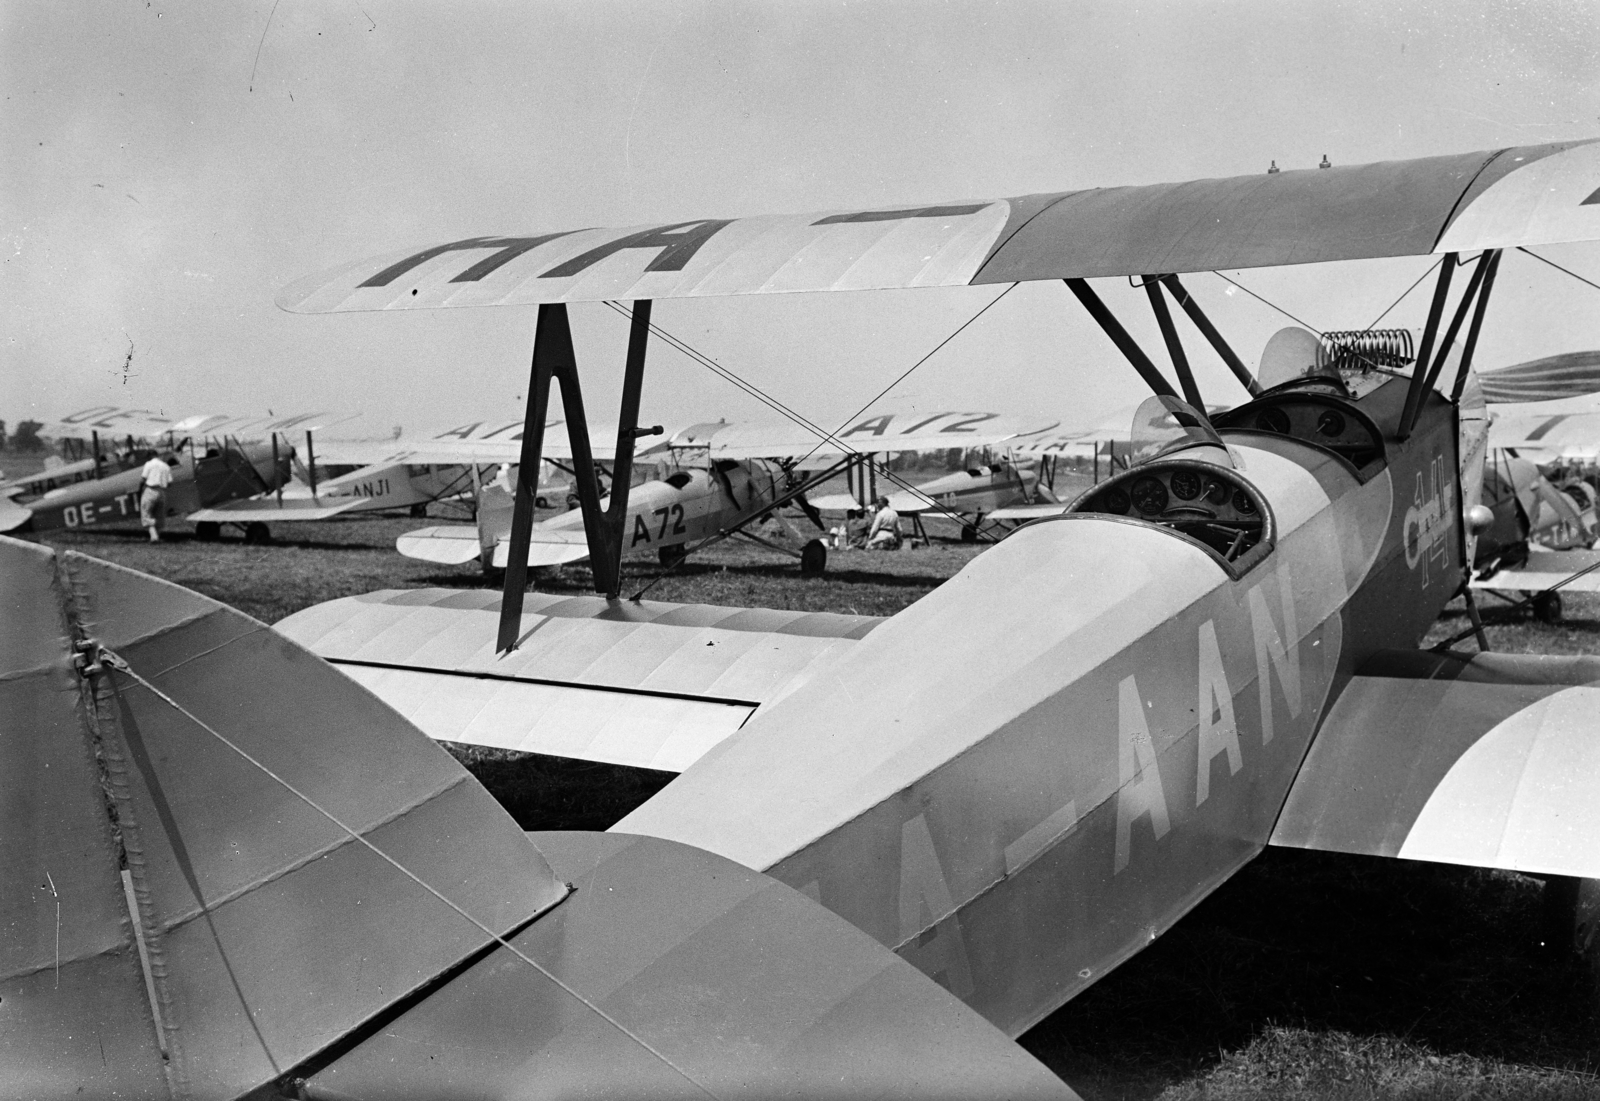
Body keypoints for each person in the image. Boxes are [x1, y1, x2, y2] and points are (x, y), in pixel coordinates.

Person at [138, 452, 174, 542]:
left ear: (150, 456)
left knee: (146, 513)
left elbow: (143, 479)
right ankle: (157, 535)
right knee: (159, 515)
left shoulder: (149, 464)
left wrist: (140, 489)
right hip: (161, 492)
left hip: (150, 490)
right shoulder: (166, 466)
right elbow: (169, 483)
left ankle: (154, 536)